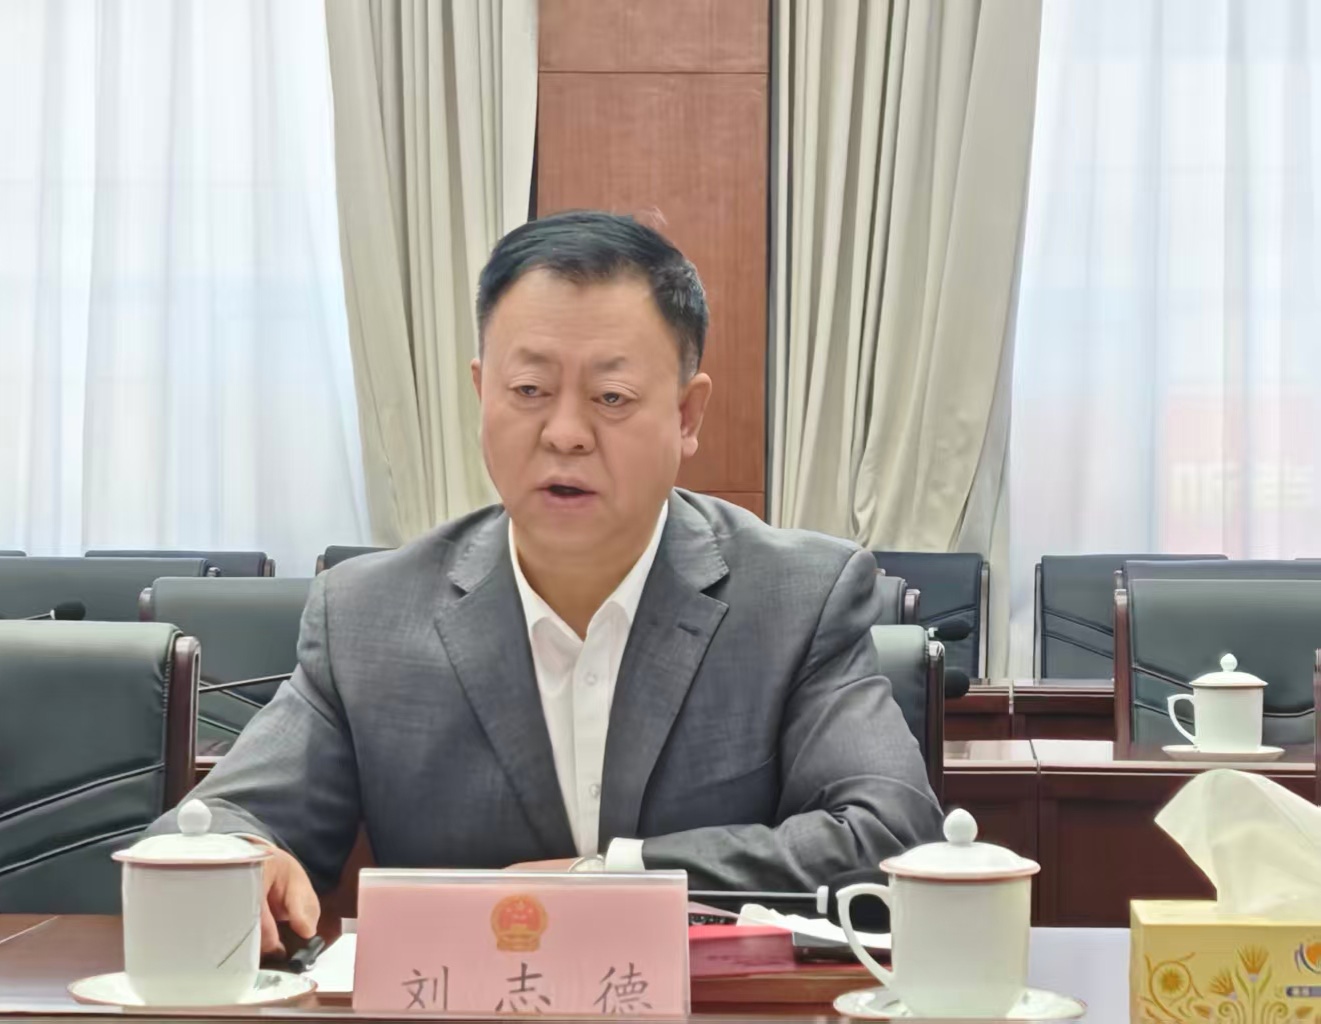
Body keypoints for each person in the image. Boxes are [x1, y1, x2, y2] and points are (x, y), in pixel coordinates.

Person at [150, 210, 942, 953]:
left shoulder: (796, 598)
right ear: (480, 392)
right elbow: (217, 822)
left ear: (686, 415)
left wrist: (611, 878)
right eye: (528, 391)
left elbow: (891, 838)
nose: (564, 433)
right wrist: (237, 855)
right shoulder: (367, 615)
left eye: (611, 398)